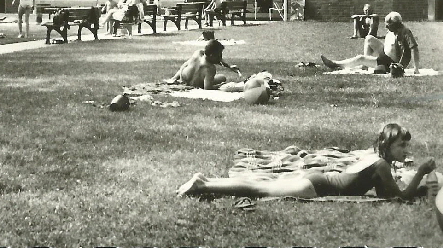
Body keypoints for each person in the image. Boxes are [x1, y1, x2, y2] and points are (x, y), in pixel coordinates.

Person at [178, 123, 436, 200]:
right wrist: (421, 173)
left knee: (257, 185)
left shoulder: (375, 160)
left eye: (406, 145)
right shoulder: (381, 166)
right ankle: (203, 184)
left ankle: (207, 182)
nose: (405, 149)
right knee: (257, 189)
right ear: (387, 146)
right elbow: (398, 199)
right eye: (401, 145)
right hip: (312, 187)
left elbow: (385, 192)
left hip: (316, 180)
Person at [321, 11, 420, 74]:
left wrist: (416, 68)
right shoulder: (392, 30)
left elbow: (414, 48)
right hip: (386, 55)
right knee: (369, 38)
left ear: (395, 24)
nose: (386, 27)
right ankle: (365, 66)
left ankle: (335, 64)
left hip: (392, 62)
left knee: (360, 58)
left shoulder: (405, 32)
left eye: (388, 25)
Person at [165, 39, 239, 89]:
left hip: (184, 78)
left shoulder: (197, 53)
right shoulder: (210, 68)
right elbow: (207, 88)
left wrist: (228, 66)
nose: (220, 58)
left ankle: (174, 78)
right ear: (212, 55)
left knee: (187, 65)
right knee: (222, 77)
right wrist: (221, 86)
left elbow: (185, 65)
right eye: (218, 55)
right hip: (195, 84)